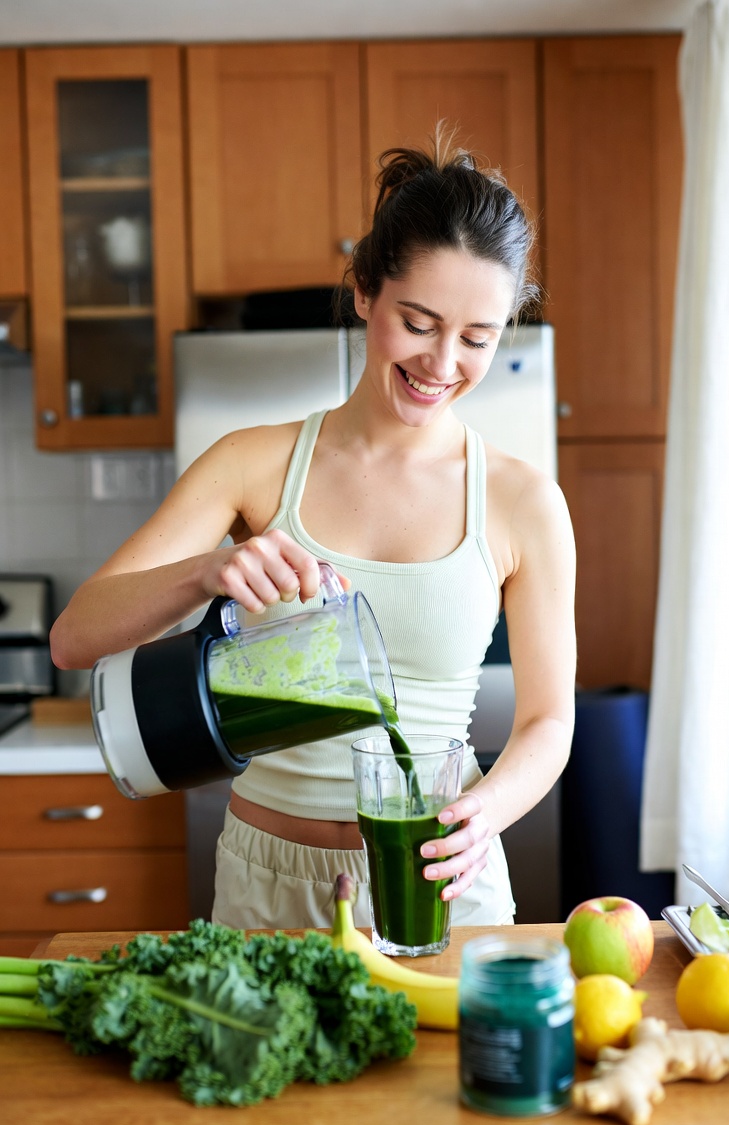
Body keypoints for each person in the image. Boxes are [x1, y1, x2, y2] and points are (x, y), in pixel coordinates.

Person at [50, 128, 577, 930]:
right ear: (366, 291)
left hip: (440, 881)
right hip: (267, 884)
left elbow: (548, 721)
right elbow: (75, 638)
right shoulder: (252, 465)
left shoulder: (523, 502)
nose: (443, 363)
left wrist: (485, 815)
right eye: (419, 321)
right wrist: (205, 576)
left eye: (478, 338)